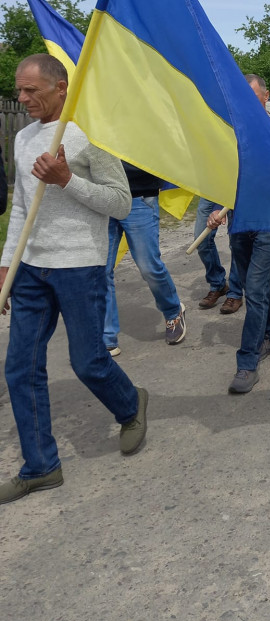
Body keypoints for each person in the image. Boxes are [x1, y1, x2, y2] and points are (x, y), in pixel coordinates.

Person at [0, 54, 147, 505]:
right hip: (31, 270)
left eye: (31, 90)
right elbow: (21, 208)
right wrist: (7, 263)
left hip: (79, 265)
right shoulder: (24, 139)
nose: (23, 98)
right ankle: (41, 466)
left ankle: (130, 404)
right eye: (20, 90)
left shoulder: (89, 137)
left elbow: (121, 203)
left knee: (87, 362)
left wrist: (68, 180)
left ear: (61, 87)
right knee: (19, 368)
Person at [207, 74, 270, 394]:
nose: (245, 102)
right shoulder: (232, 133)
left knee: (253, 290)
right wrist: (217, 208)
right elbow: (224, 175)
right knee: (255, 286)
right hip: (239, 223)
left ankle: (247, 363)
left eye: (252, 96)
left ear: (265, 96)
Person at [104, 163, 185, 355]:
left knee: (148, 266)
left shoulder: (146, 131)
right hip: (105, 201)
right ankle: (107, 336)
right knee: (100, 270)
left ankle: (173, 311)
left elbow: (157, 157)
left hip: (140, 197)